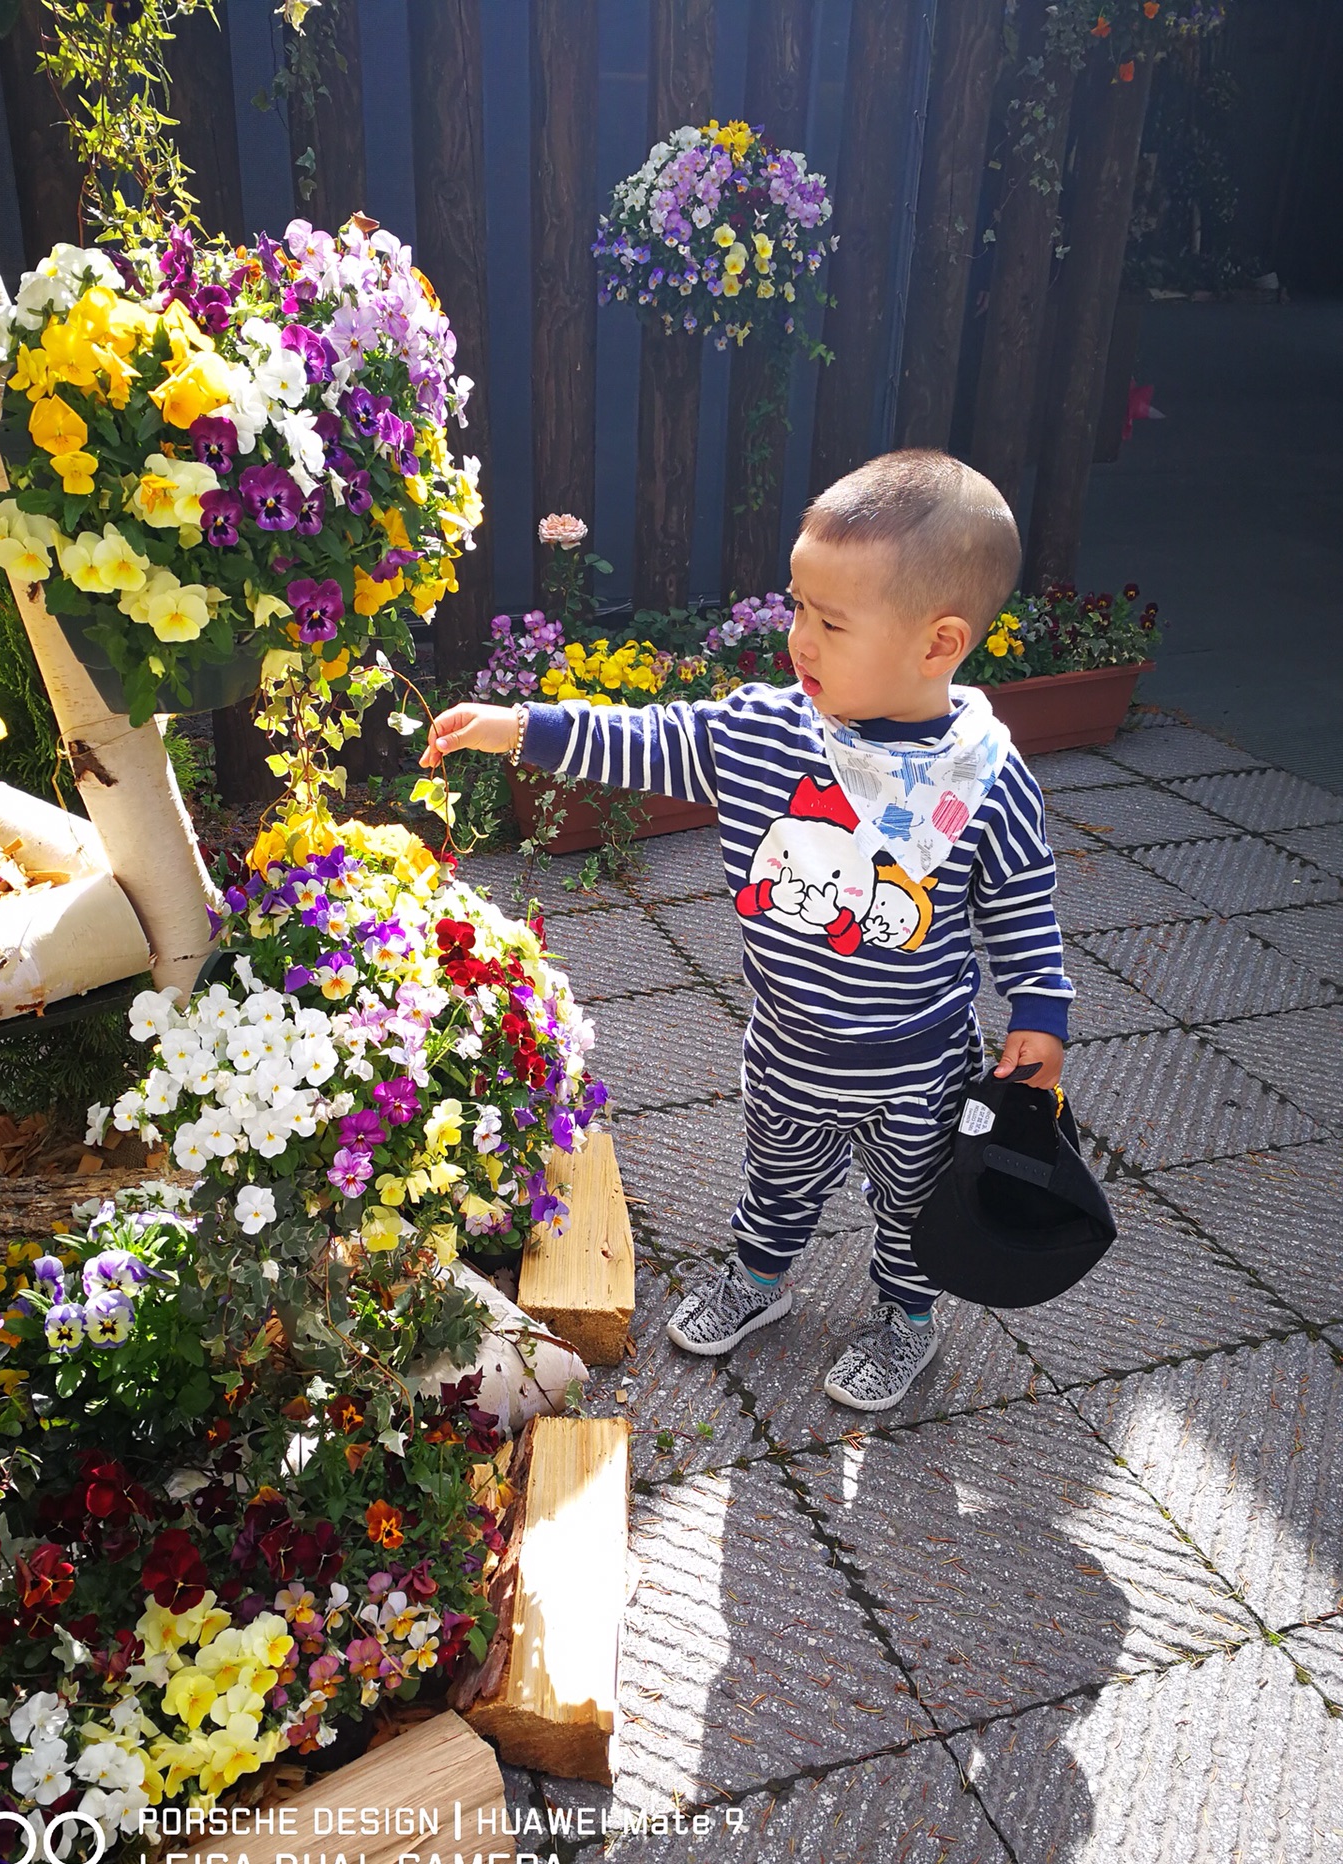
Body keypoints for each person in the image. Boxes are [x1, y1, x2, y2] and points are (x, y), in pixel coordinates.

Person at [420, 449, 1072, 1413]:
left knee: (911, 1208)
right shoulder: (764, 734)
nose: (799, 637)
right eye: (798, 605)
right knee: (774, 1178)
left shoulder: (983, 779)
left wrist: (1042, 1007)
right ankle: (761, 1282)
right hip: (788, 1046)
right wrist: (519, 728)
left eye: (831, 621)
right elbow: (644, 738)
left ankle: (907, 1320)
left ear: (939, 644)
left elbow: (1021, 898)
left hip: (917, 1063)